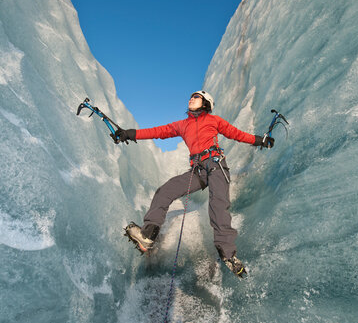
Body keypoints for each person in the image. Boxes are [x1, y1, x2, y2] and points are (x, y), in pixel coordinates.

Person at [115, 90, 274, 277]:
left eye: (196, 97)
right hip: (197, 171)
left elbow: (236, 134)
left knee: (218, 205)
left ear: (206, 103)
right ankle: (148, 235)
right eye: (191, 96)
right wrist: (129, 133)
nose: (191, 98)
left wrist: (260, 140)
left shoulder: (214, 121)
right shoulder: (183, 125)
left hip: (215, 165)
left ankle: (229, 255)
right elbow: (158, 132)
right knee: (164, 191)